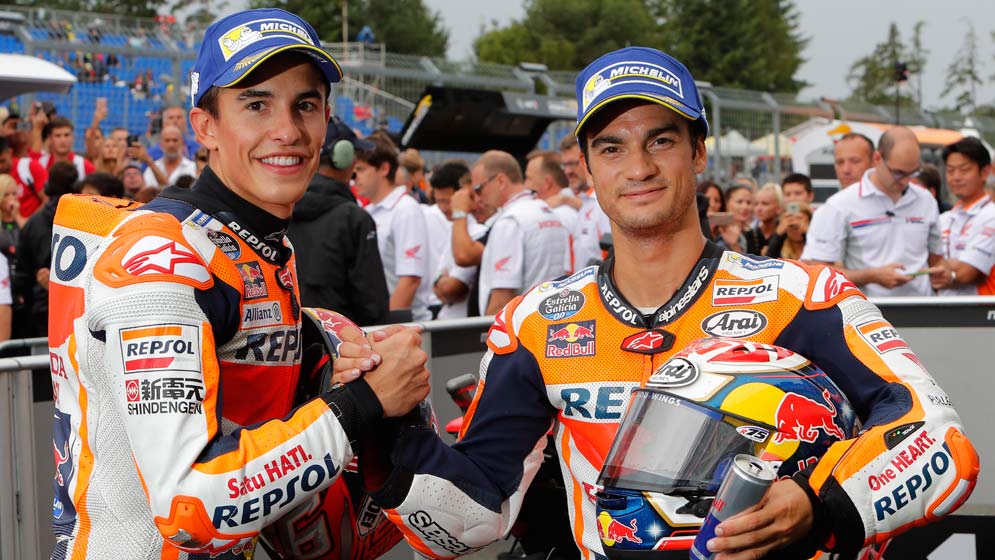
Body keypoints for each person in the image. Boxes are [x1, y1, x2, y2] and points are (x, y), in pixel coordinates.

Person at [367, 46, 978, 560]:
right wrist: (384, 426)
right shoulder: (535, 323)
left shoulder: (804, 296)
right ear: (585, 167)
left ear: (698, 152)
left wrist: (816, 506)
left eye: (660, 140)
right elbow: (470, 518)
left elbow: (941, 442)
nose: (638, 166)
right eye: (611, 147)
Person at [47, 8, 430, 558]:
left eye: (306, 105)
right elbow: (188, 504)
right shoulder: (162, 257)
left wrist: (331, 376)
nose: (288, 131)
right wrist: (362, 404)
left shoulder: (258, 243)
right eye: (256, 103)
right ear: (205, 127)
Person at [802, 127, 945, 297]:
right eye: (898, 172)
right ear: (877, 159)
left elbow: (937, 259)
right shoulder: (839, 204)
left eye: (912, 172)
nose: (906, 180)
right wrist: (872, 276)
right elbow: (819, 271)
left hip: (920, 309)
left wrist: (944, 274)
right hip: (867, 314)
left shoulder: (926, 200)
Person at [287, 115, 389, 326]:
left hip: (290, 344)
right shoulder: (354, 219)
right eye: (354, 155)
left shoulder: (281, 208)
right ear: (342, 156)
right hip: (345, 347)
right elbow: (372, 304)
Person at [472, 150, 571, 315]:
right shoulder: (547, 211)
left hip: (519, 328)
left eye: (479, 188)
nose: (477, 198)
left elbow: (501, 300)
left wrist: (490, 338)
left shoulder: (510, 222)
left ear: (501, 181)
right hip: (550, 319)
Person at [355, 135, 433, 321]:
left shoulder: (406, 209)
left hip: (406, 328)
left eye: (361, 169)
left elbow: (410, 280)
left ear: (384, 168)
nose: (355, 177)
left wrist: (384, 328)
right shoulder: (367, 211)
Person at [15, 161, 77, 337]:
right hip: (75, 310)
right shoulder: (87, 221)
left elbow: (22, 275)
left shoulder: (32, 224)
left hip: (40, 312)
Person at [932, 137, 995, 295]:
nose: (956, 177)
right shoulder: (943, 218)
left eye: (964, 169)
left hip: (976, 314)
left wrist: (939, 268)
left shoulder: (991, 215)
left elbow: (966, 272)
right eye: (950, 170)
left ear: (985, 172)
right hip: (939, 311)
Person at [562, 135, 610, 268]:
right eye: (564, 165)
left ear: (587, 162)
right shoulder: (586, 202)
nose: (568, 171)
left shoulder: (604, 202)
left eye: (573, 163)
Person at [525, 150, 578, 268]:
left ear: (547, 182)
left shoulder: (558, 215)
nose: (525, 185)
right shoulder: (574, 208)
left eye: (528, 178)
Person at [0, 135, 48, 218]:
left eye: (2, 161)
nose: (0, 166)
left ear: (10, 153)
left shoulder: (30, 167)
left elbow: (47, 200)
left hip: (32, 227)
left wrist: (29, 224)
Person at [745, 182, 782, 255]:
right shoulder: (750, 234)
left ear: (779, 208)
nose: (759, 208)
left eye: (765, 204)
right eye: (756, 204)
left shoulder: (786, 233)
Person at [717, 183, 754, 253]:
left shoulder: (750, 233)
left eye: (748, 202)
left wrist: (734, 245)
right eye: (739, 202)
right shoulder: (717, 229)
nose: (745, 207)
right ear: (726, 203)